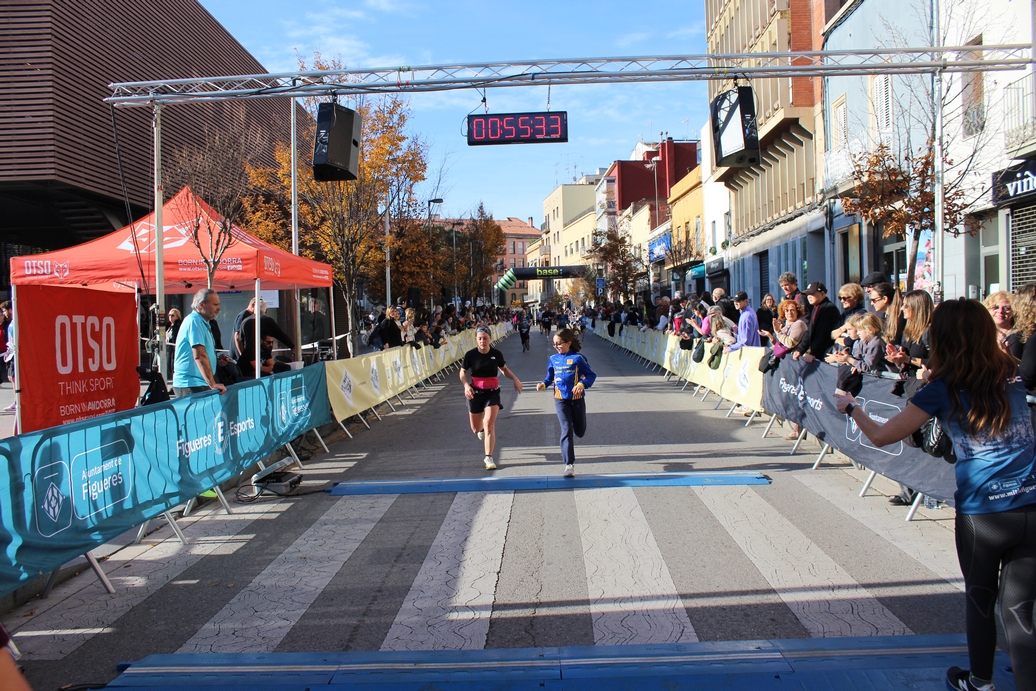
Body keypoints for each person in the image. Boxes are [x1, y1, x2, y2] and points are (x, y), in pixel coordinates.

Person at [834, 298, 1036, 691]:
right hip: (1030, 502)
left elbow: (882, 435)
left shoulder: (942, 388)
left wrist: (852, 407)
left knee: (981, 599)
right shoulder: (1011, 372)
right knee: (1020, 610)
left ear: (941, 338)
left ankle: (980, 681)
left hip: (984, 512)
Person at [459, 325, 523, 470]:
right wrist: (466, 386)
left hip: (492, 393)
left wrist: (515, 379)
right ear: (476, 339)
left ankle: (488, 457)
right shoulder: (470, 355)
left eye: (485, 338)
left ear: (490, 339)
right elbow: (462, 372)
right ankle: (481, 430)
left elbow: (504, 369)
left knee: (489, 423)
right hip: (475, 393)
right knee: (476, 428)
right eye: (480, 338)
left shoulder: (496, 354)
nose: (483, 341)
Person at [537, 328, 597, 477]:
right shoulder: (553, 359)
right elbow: (549, 377)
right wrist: (543, 384)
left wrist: (582, 384)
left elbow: (591, 375)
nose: (556, 346)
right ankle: (569, 464)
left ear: (569, 343)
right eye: (554, 344)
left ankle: (578, 429)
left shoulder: (578, 358)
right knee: (566, 428)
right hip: (560, 399)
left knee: (580, 431)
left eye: (559, 343)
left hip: (576, 399)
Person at [172, 289, 227, 398]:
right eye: (215, 304)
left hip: (197, 383)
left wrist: (217, 360)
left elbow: (202, 353)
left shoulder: (202, 322)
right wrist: (212, 384)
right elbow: (199, 355)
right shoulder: (195, 321)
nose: (219, 308)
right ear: (201, 305)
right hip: (191, 384)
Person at [792, 282, 840, 363]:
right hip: (817, 353)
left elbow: (825, 334)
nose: (809, 296)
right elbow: (809, 331)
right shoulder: (816, 308)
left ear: (822, 293)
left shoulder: (829, 309)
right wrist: (800, 349)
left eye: (812, 293)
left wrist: (814, 353)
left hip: (826, 355)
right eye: (808, 294)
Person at [984, 290, 1022, 357]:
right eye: (995, 307)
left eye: (1006, 308)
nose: (1000, 311)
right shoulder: (984, 334)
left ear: (1014, 312)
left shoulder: (1017, 337)